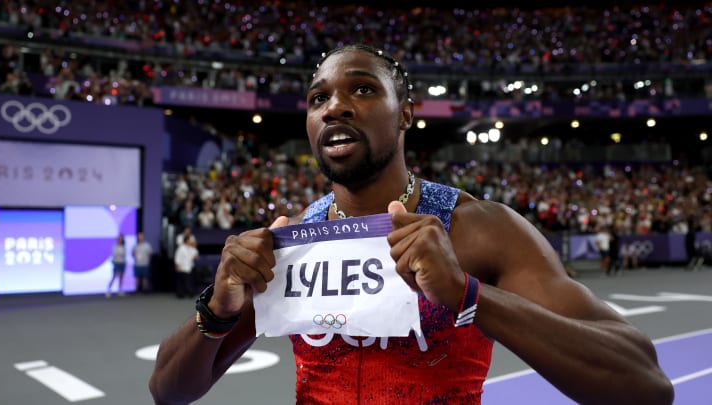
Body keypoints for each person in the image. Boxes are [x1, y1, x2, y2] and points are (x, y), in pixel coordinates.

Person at [149, 44, 673, 404]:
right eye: (318, 98)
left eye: (362, 90)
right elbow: (167, 391)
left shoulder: (478, 229)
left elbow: (646, 384)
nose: (335, 107)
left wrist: (469, 296)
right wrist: (216, 311)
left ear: (405, 114)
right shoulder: (292, 243)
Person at [174, 234, 198, 298]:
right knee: (181, 281)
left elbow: (196, 255)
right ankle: (180, 294)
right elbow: (177, 257)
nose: (191, 241)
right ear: (187, 240)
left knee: (188, 281)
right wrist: (177, 265)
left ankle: (190, 293)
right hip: (182, 267)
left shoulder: (191, 248)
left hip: (189, 267)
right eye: (190, 240)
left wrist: (194, 246)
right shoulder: (181, 248)